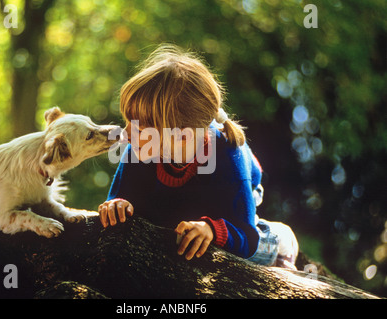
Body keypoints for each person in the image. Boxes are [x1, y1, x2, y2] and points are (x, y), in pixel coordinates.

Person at [98, 44, 298, 268]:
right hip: (180, 191)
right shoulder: (137, 149)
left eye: (139, 128)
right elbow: (119, 196)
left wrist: (213, 229)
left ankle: (280, 240)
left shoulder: (228, 157)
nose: (125, 134)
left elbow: (246, 237)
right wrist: (117, 204)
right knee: (172, 227)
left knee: (236, 249)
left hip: (231, 193)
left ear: (182, 137)